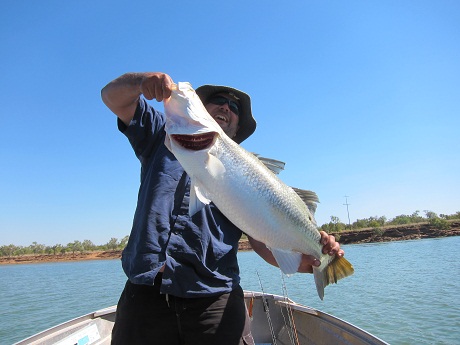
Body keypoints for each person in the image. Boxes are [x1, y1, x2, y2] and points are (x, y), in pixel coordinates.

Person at [101, 72, 345, 345]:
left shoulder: (249, 175)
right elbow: (112, 97)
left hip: (215, 299)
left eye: (235, 108)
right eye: (217, 100)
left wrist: (312, 261)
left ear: (237, 128)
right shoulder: (161, 136)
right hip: (145, 296)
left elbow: (263, 240)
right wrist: (141, 81)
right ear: (203, 111)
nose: (226, 107)